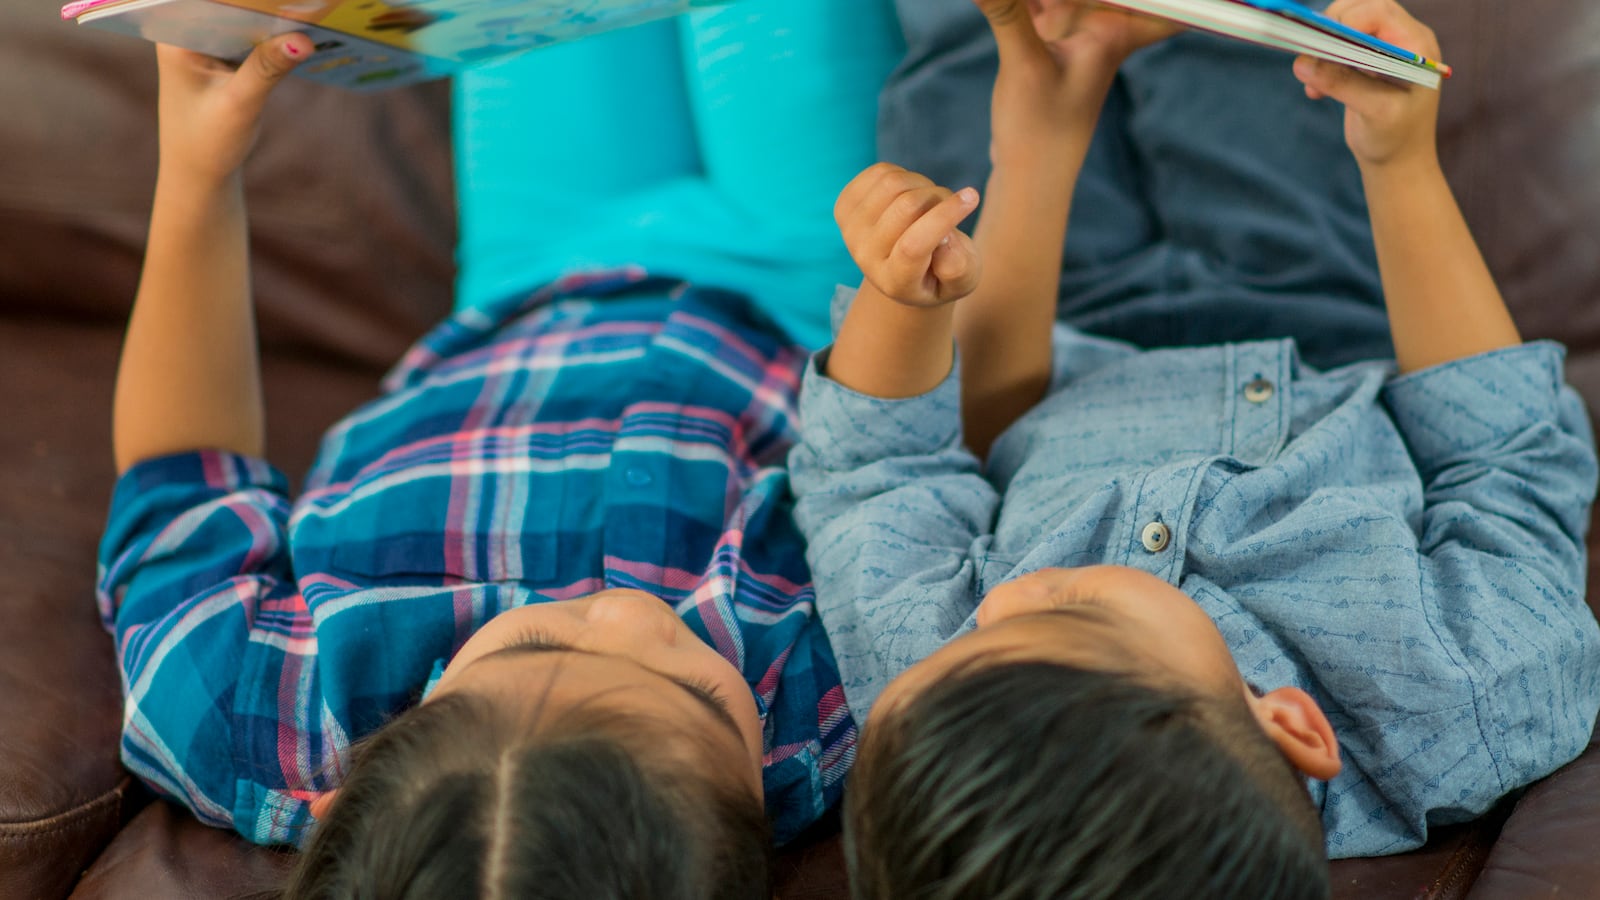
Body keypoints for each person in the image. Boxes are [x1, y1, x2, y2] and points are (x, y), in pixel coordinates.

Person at [789, 0, 1600, 896]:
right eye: (1075, 616)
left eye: (964, 641)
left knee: (984, 32)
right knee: (1243, 46)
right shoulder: (1466, 701)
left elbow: (876, 468)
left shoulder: (931, 710)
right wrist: (1398, 161)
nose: (1001, 601)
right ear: (1289, 725)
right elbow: (1507, 454)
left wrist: (924, 273)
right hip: (1313, 305)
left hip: (1016, 303)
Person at [98, 35, 856, 898]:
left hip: (533, 255)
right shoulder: (833, 727)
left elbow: (180, 472)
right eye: (707, 698)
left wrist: (199, 169)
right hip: (815, 284)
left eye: (532, 639)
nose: (626, 617)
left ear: (351, 785)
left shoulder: (245, 711)